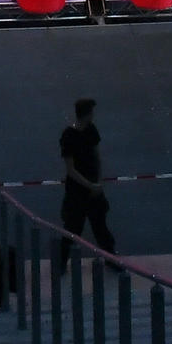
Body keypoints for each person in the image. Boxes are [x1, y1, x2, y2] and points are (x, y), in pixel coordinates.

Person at [59, 97, 116, 252]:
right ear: (87, 114)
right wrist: (94, 185)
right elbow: (71, 170)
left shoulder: (89, 130)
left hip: (88, 187)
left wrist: (98, 182)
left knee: (99, 227)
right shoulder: (69, 136)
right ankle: (62, 260)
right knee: (74, 227)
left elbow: (96, 157)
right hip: (79, 191)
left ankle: (110, 257)